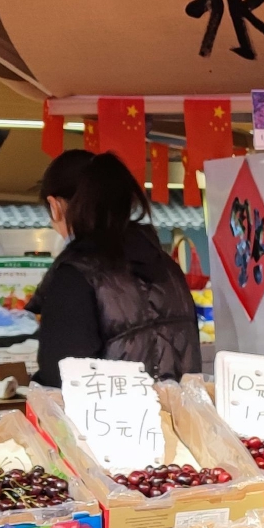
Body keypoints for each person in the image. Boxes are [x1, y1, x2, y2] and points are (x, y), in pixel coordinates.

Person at [29, 152, 202, 387]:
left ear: (55, 206)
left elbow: (62, 378)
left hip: (107, 421)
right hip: (177, 419)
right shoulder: (167, 266)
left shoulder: (75, 275)